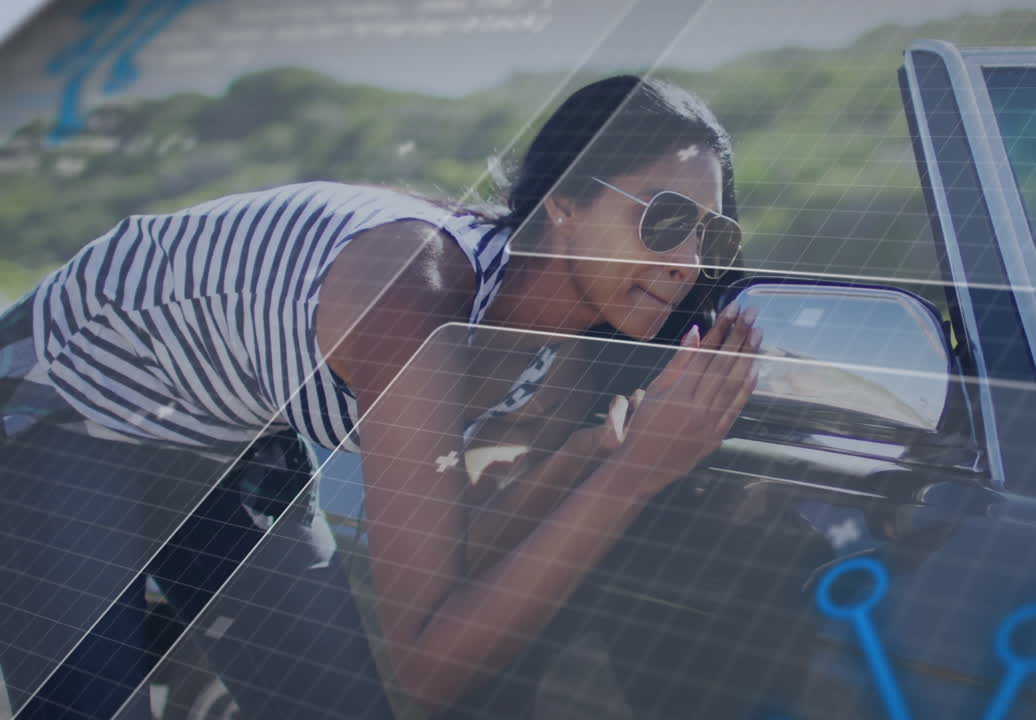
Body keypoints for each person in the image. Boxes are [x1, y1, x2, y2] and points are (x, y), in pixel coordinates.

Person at [0, 74, 759, 719]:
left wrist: (597, 455)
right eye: (665, 219)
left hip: (229, 439)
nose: (689, 264)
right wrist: (634, 477)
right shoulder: (412, 289)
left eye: (711, 236)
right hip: (69, 396)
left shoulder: (569, 354)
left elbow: (463, 554)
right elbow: (429, 662)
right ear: (564, 201)